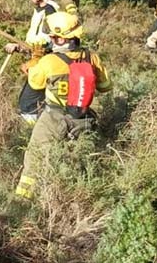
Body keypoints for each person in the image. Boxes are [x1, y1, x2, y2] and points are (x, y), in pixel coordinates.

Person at [15, 11, 112, 200]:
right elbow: (106, 86)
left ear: (60, 39)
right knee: (79, 160)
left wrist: (36, 61)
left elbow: (35, 84)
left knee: (35, 157)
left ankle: (23, 200)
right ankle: (76, 199)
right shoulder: (91, 57)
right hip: (83, 118)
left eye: (52, 36)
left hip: (53, 118)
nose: (50, 39)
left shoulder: (49, 61)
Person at [5, 0, 62, 85]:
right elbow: (34, 41)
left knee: (29, 100)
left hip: (45, 61)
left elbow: (46, 42)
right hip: (38, 58)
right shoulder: (40, 10)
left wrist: (34, 55)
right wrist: (19, 47)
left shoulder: (50, 11)